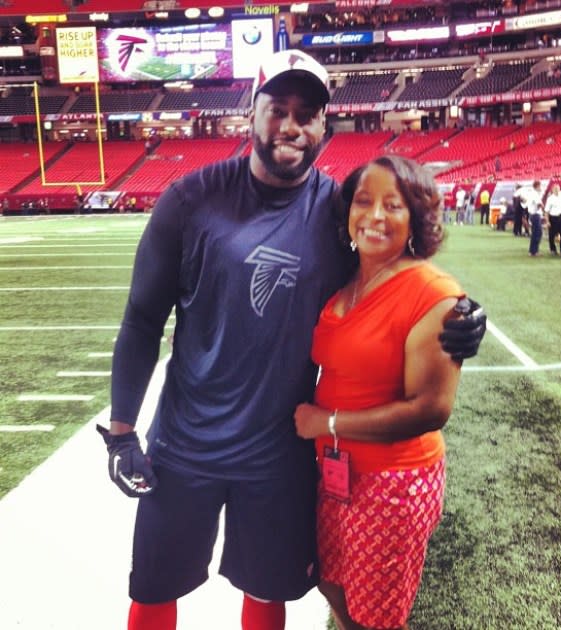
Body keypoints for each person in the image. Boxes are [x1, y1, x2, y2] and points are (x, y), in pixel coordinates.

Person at [96, 50, 487, 630]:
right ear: (251, 114)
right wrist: (123, 432)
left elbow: (395, 270)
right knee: (154, 587)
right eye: (277, 109)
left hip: (280, 449)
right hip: (185, 443)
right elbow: (140, 318)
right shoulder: (190, 199)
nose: (290, 126)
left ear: (324, 127)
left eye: (306, 114)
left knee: (267, 592)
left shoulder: (336, 212)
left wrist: (459, 312)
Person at [294, 155, 465, 630]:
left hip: (392, 484)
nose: (374, 216)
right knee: (333, 585)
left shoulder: (429, 291)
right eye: (363, 202)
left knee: (379, 618)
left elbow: (431, 409)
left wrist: (325, 423)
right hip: (337, 475)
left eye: (393, 205)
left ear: (415, 220)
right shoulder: (348, 281)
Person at [544, 182, 561, 255]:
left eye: (558, 188)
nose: (557, 190)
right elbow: (546, 211)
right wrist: (547, 221)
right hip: (553, 218)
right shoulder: (550, 199)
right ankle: (553, 250)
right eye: (555, 189)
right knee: (552, 235)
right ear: (552, 190)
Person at [527, 180, 544, 256]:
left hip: (533, 214)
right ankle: (534, 251)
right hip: (535, 215)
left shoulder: (533, 193)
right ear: (537, 186)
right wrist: (542, 208)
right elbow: (539, 204)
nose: (541, 187)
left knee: (535, 233)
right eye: (540, 186)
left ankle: (533, 250)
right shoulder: (535, 194)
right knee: (538, 233)